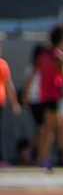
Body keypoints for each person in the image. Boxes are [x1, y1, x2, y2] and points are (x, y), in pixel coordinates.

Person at [32, 25, 63, 167]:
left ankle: (60, 156)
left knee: (59, 127)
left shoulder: (43, 55)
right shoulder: (58, 56)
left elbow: (35, 73)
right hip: (54, 95)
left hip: (45, 94)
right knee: (50, 129)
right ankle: (45, 158)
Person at [0, 34, 21, 166]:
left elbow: (8, 85)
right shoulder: (2, 64)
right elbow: (9, 85)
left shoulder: (2, 64)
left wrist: (14, 103)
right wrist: (14, 103)